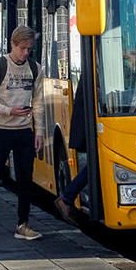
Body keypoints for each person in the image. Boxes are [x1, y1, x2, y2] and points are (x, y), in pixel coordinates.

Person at [0, 26, 44, 241]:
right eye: (22, 48)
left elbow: (38, 102)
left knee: (26, 179)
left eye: (29, 49)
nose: (25, 53)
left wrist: (39, 131)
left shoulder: (35, 68)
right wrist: (8, 111)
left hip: (24, 130)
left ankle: (23, 224)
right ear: (13, 45)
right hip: (1, 129)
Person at [54, 74, 93, 222]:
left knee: (96, 164)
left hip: (90, 123)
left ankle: (67, 198)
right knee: (96, 164)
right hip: (91, 124)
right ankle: (66, 198)